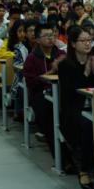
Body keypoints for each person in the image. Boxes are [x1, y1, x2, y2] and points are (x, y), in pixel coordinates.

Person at [58, 25, 94, 189]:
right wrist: (85, 73)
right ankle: (83, 169)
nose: (87, 44)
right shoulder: (65, 65)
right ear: (73, 44)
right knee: (87, 124)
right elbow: (70, 92)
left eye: (89, 40)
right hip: (74, 109)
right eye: (83, 40)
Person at [23, 23, 66, 154]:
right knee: (49, 116)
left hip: (60, 92)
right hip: (40, 95)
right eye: (46, 36)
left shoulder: (61, 54)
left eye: (52, 35)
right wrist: (50, 73)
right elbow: (31, 83)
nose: (50, 38)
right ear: (37, 39)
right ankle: (60, 157)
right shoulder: (31, 58)